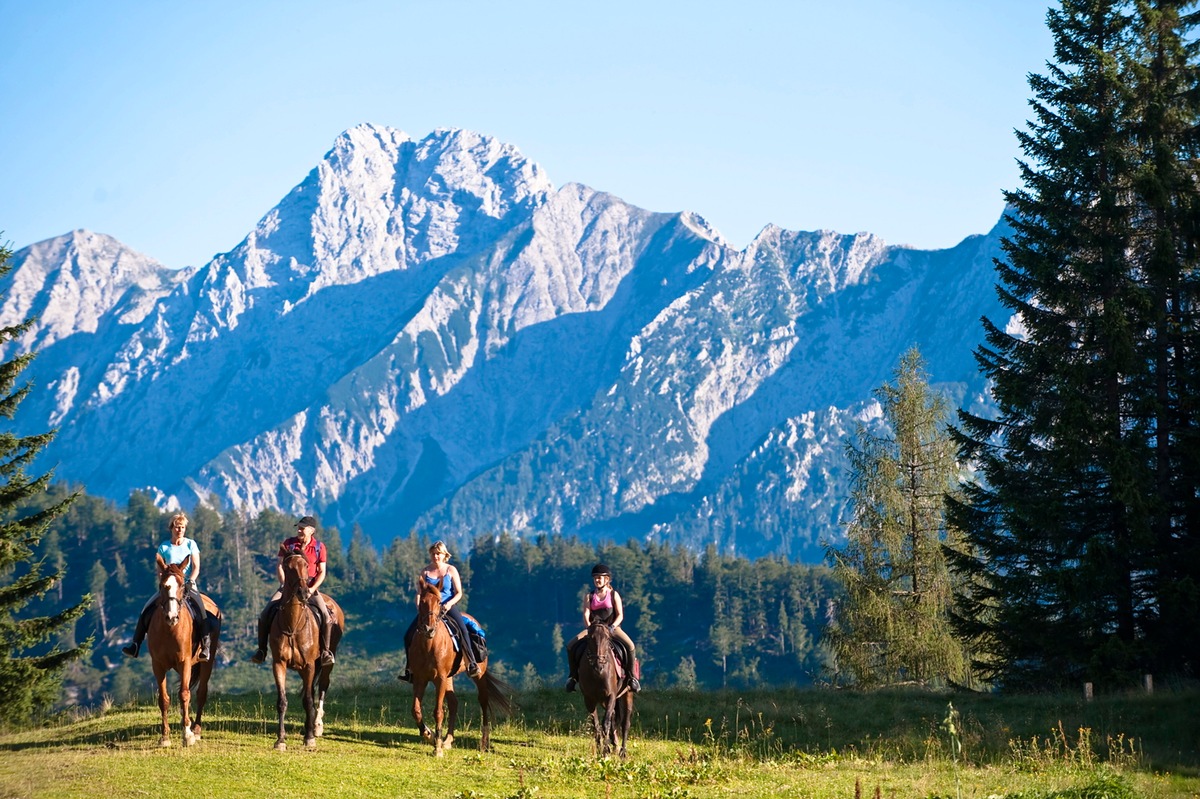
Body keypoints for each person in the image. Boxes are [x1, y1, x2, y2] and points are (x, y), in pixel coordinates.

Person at [123, 512, 213, 662]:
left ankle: (205, 646)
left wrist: (190, 580)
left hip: (187, 585)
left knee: (201, 610)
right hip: (169, 587)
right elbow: (160, 570)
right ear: (171, 528)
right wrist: (165, 583)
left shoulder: (191, 544)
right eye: (177, 527)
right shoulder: (164, 547)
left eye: (183, 527)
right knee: (146, 609)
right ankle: (135, 645)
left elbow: (196, 567)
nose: (180, 530)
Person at [249, 515, 336, 666]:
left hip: (309, 588)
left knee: (326, 616)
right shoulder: (288, 544)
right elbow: (279, 566)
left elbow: (322, 572)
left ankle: (325, 652)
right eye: (299, 527)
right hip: (287, 588)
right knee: (265, 614)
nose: (299, 530)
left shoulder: (319, 547)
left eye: (303, 528)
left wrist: (311, 589)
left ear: (312, 530)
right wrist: (284, 585)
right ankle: (262, 650)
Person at [399, 540, 481, 681]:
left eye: (438, 554)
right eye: (433, 554)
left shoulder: (451, 570)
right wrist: (418, 604)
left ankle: (471, 663)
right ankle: (410, 669)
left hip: (447, 607)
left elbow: (459, 592)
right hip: (429, 609)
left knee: (462, 629)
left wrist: (449, 604)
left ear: (444, 555)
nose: (435, 556)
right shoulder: (425, 571)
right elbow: (419, 592)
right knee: (408, 636)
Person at [564, 563, 640, 693]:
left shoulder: (613, 595)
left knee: (630, 646)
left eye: (600, 578)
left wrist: (613, 627)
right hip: (594, 629)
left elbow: (620, 615)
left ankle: (632, 678)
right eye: (595, 578)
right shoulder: (589, 596)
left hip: (612, 628)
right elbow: (586, 614)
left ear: (607, 579)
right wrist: (590, 628)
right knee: (570, 645)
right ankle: (573, 677)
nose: (597, 580)